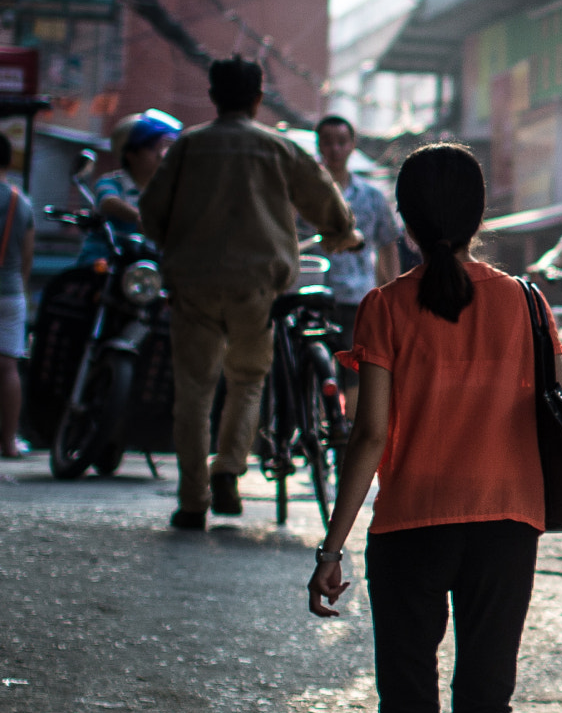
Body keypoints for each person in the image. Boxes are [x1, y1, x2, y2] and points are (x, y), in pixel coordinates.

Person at [308, 142, 562, 713]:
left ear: (406, 218)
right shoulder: (526, 302)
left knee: (408, 711)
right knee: (485, 698)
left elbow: (370, 436)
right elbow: (561, 408)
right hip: (507, 520)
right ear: (479, 214)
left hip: (412, 525)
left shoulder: (386, 307)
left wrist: (332, 547)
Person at [139, 57, 358, 530]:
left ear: (214, 96)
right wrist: (342, 234)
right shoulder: (278, 148)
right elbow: (324, 200)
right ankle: (229, 468)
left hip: (192, 284)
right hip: (256, 288)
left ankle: (192, 500)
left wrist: (176, 245)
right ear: (258, 98)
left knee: (194, 392)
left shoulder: (187, 147)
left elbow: (152, 211)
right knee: (247, 379)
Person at [314, 115, 400, 413]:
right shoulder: (306, 193)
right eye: (328, 142)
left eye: (341, 142)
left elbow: (388, 243)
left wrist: (391, 290)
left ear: (352, 146)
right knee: (315, 366)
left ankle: (348, 432)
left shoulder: (372, 196)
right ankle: (317, 424)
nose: (335, 149)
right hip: (313, 295)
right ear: (319, 146)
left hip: (357, 297)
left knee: (356, 369)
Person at [77, 110, 180, 263]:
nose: (160, 155)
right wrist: (139, 217)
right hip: (107, 257)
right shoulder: (110, 182)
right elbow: (108, 202)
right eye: (153, 149)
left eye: (162, 149)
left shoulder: (165, 191)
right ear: (131, 154)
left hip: (145, 261)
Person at [0, 135, 35, 460]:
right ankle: (9, 442)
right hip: (10, 292)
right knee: (8, 368)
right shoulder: (20, 202)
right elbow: (27, 255)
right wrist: (20, 287)